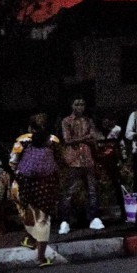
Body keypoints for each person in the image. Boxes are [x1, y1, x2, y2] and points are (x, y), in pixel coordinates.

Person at [10, 113, 62, 267]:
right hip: (46, 184)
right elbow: (59, 160)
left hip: (26, 183)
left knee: (29, 212)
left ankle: (29, 238)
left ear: (30, 128)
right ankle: (40, 257)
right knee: (43, 220)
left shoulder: (22, 141)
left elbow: (13, 162)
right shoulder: (53, 141)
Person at [58, 96, 104, 235]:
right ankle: (65, 221)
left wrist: (89, 138)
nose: (80, 107)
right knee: (69, 192)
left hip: (88, 159)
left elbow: (95, 136)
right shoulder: (66, 121)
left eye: (82, 104)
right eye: (77, 104)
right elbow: (67, 140)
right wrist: (85, 138)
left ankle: (94, 218)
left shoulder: (88, 120)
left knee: (92, 190)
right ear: (72, 106)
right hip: (73, 160)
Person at [95, 113, 127, 222]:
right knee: (96, 187)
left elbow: (121, 145)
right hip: (99, 162)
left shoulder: (117, 130)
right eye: (105, 119)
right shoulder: (96, 131)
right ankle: (96, 215)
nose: (107, 122)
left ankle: (124, 212)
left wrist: (123, 159)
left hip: (113, 161)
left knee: (117, 185)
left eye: (109, 119)